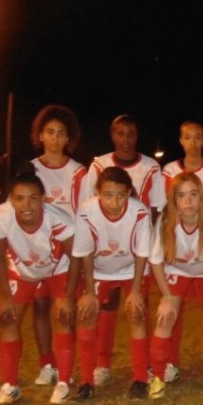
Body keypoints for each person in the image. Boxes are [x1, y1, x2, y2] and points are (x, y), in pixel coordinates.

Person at [84, 114, 166, 386]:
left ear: (137, 136)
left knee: (138, 309)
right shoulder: (99, 165)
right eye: (121, 133)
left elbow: (155, 210)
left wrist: (148, 243)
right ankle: (102, 364)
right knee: (106, 307)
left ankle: (143, 369)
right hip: (105, 252)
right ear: (113, 135)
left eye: (131, 133)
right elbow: (89, 208)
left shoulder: (151, 167)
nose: (126, 139)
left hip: (136, 249)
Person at [0, 168, 78, 405]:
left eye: (33, 198)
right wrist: (4, 296)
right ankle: (10, 385)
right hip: (23, 270)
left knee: (62, 315)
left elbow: (76, 257)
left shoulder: (59, 219)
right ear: (11, 200)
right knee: (8, 318)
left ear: (43, 200)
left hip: (58, 267)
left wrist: (67, 296)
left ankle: (64, 382)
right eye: (19, 198)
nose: (26, 204)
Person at [148, 173, 203, 402]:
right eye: (181, 195)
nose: (188, 202)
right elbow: (155, 260)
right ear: (173, 199)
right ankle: (158, 376)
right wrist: (166, 296)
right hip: (178, 272)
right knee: (165, 317)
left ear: (202, 197)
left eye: (193, 194)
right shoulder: (166, 219)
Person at [72, 167, 152, 400]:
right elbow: (85, 252)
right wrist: (88, 291)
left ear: (129, 194)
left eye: (120, 195)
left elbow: (142, 253)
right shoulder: (87, 211)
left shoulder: (139, 211)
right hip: (99, 270)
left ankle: (139, 378)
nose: (114, 202)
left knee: (137, 313)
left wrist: (136, 290)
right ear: (98, 193)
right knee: (87, 314)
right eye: (107, 195)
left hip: (130, 269)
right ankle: (87, 381)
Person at [161, 120, 203, 384]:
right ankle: (169, 362)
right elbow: (164, 209)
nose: (192, 142)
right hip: (179, 251)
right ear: (180, 141)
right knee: (171, 310)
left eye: (197, 137)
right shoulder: (168, 171)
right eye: (187, 137)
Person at [28, 104, 88, 386]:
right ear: (40, 135)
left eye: (60, 133)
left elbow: (84, 214)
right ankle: (46, 364)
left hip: (68, 254)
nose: (54, 138)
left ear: (68, 138)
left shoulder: (79, 173)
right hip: (37, 253)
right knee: (40, 307)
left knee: (66, 310)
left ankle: (66, 365)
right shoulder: (29, 170)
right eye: (49, 132)